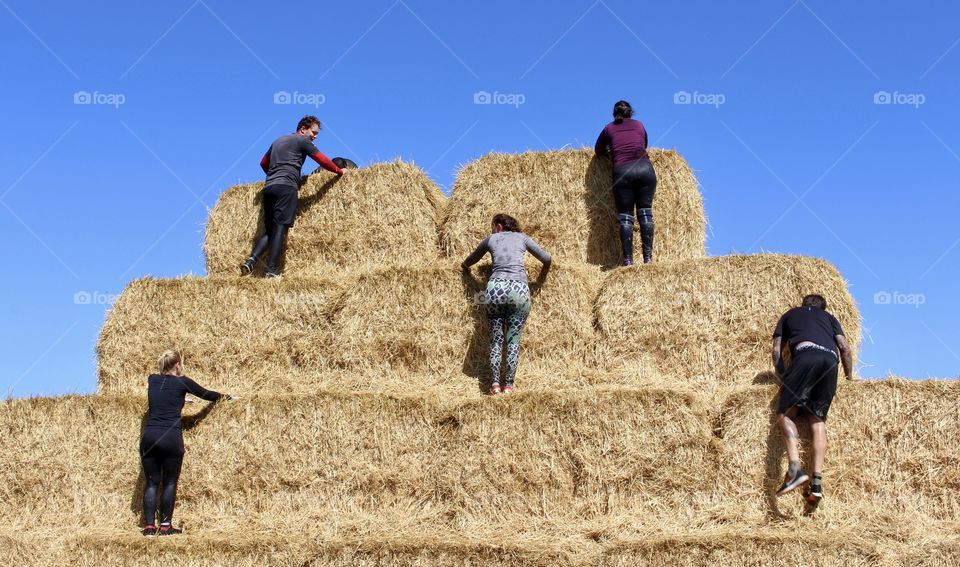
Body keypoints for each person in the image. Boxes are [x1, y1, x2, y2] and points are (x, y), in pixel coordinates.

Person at [771, 294, 854, 505]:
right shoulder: (830, 318)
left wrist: (783, 375)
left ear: (803, 304)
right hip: (830, 361)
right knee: (817, 420)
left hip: (805, 355)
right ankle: (816, 484)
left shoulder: (789, 315)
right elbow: (844, 348)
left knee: (784, 415)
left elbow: (776, 351)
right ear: (823, 308)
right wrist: (849, 378)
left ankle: (795, 469)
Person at [140, 350, 233, 536]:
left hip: (149, 437)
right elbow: (207, 394)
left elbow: (165, 395)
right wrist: (228, 397)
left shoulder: (152, 380)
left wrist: (182, 399)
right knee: (169, 482)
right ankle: (165, 526)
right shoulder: (183, 382)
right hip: (170, 438)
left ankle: (149, 527)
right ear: (177, 365)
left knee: (151, 482)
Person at [241, 116, 345, 278]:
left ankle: (251, 260)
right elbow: (322, 160)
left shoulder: (278, 141)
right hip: (286, 187)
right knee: (280, 228)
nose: (315, 136)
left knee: (270, 229)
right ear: (303, 129)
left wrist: (275, 175)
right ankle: (272, 271)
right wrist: (339, 171)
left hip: (269, 187)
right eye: (314, 132)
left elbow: (263, 162)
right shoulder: (302, 141)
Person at [461, 214, 551, 395]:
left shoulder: (491, 239)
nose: (492, 230)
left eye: (492, 226)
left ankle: (494, 384)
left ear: (499, 226)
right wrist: (541, 278)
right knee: (513, 340)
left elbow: (470, 260)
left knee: (496, 339)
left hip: (496, 288)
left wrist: (464, 267)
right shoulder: (523, 238)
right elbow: (546, 259)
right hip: (519, 290)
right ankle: (508, 386)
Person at [594, 100, 657, 265]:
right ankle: (648, 259)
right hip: (645, 170)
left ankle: (628, 261)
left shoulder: (608, 128)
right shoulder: (639, 125)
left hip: (622, 172)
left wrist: (611, 151)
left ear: (614, 114)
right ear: (631, 113)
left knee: (626, 218)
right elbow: (644, 143)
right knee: (645, 214)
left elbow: (598, 150)